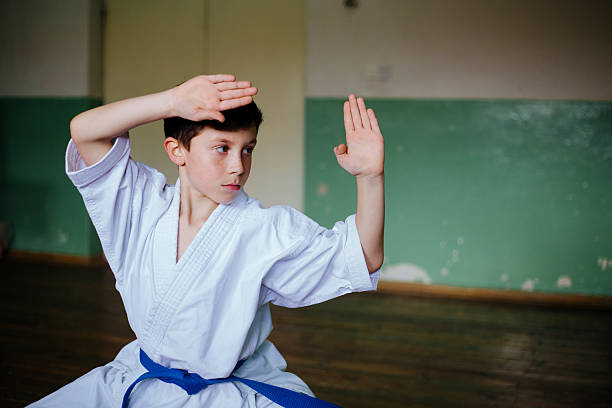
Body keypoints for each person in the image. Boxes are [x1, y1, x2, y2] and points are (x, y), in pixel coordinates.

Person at [28, 74, 385, 407]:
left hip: (233, 389)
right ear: (176, 151)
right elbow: (84, 132)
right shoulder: (140, 203)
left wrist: (370, 177)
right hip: (140, 377)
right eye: (222, 148)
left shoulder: (265, 229)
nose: (238, 166)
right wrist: (171, 101)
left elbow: (363, 257)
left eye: (248, 149)